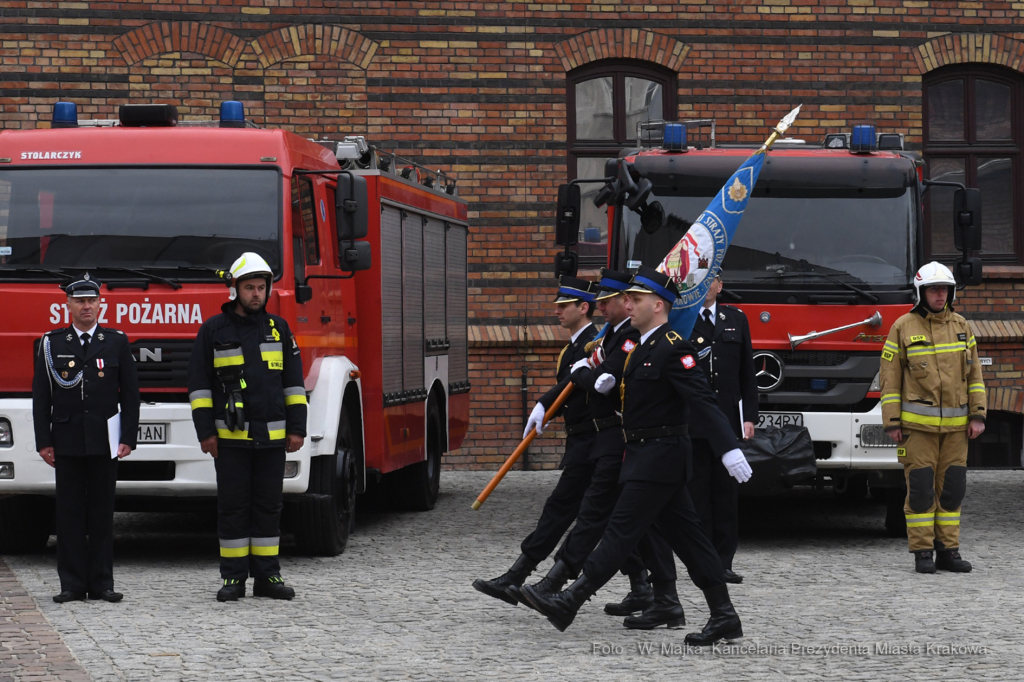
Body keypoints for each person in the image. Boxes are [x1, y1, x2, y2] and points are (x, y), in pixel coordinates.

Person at [524, 266, 752, 646]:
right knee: (691, 541)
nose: (627, 304)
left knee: (619, 531)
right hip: (645, 455)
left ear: (658, 305)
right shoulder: (640, 348)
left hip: (660, 457)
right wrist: (584, 376)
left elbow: (703, 402)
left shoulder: (674, 346)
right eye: (627, 299)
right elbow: (615, 396)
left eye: (636, 299)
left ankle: (570, 598)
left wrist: (728, 448)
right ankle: (724, 615)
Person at [510, 270, 679, 630]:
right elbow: (582, 376)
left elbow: (604, 381)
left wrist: (584, 372)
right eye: (602, 301)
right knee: (638, 524)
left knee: (601, 516)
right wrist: (546, 401)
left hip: (623, 440)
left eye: (611, 300)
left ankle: (558, 583)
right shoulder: (608, 338)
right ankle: (663, 597)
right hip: (612, 443)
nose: (604, 307)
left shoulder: (632, 337)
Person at [188, 252, 307, 601]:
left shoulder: (279, 329)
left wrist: (297, 429)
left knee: (270, 508)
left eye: (261, 287)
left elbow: (293, 384)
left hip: (272, 441)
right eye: (249, 288)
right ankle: (233, 579)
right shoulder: (213, 330)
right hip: (230, 440)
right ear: (235, 290)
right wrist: (206, 432)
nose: (257, 294)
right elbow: (199, 387)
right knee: (233, 508)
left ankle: (269, 577)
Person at [472, 276, 598, 604]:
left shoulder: (594, 345)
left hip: (595, 441)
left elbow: (581, 389)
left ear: (583, 308)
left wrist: (545, 405)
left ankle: (518, 575)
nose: (557, 311)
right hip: (581, 440)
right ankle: (644, 586)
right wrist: (546, 411)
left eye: (564, 306)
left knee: (574, 511)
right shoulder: (573, 347)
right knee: (602, 515)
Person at [32, 276, 140, 603]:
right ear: (68, 305)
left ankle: (102, 583)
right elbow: (41, 398)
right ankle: (73, 584)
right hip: (65, 440)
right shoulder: (52, 343)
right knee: (69, 514)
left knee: (102, 513)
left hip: (104, 439)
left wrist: (128, 437)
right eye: (79, 301)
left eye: (92, 301)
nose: (87, 307)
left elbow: (131, 395)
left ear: (100, 304)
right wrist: (43, 440)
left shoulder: (116, 341)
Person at [880, 261, 985, 574]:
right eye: (933, 290)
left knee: (952, 492)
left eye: (944, 289)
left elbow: (975, 376)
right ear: (921, 293)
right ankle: (922, 552)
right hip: (917, 431)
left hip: (957, 432)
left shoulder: (962, 326)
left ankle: (948, 551)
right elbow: (889, 378)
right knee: (922, 492)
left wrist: (978, 416)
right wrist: (892, 422)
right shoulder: (902, 327)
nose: (940, 295)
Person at [687, 271, 757, 583]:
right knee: (698, 493)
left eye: (711, 281)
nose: (707, 287)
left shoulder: (736, 319)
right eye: (700, 282)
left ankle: (724, 561)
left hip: (727, 418)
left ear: (720, 285)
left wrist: (749, 416)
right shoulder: (684, 320)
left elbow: (747, 374)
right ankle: (702, 561)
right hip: (695, 421)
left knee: (726, 494)